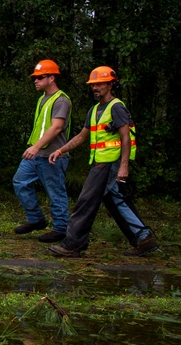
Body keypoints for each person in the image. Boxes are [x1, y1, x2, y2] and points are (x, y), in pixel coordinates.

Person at [47, 66, 157, 257]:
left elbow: (125, 138)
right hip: (100, 163)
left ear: (110, 84)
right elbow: (82, 137)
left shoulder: (117, 108)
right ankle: (143, 238)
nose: (95, 88)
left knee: (86, 202)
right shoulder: (95, 110)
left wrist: (123, 166)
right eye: (93, 84)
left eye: (100, 84)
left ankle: (73, 244)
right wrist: (60, 149)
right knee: (116, 201)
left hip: (109, 164)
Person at [12, 60, 72, 243]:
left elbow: (56, 127)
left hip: (53, 155)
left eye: (40, 77)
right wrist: (34, 148)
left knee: (56, 192)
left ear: (51, 78)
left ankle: (61, 229)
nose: (35, 81)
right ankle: (36, 219)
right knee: (20, 181)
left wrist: (36, 147)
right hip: (36, 154)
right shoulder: (42, 99)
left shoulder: (61, 100)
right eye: (35, 78)